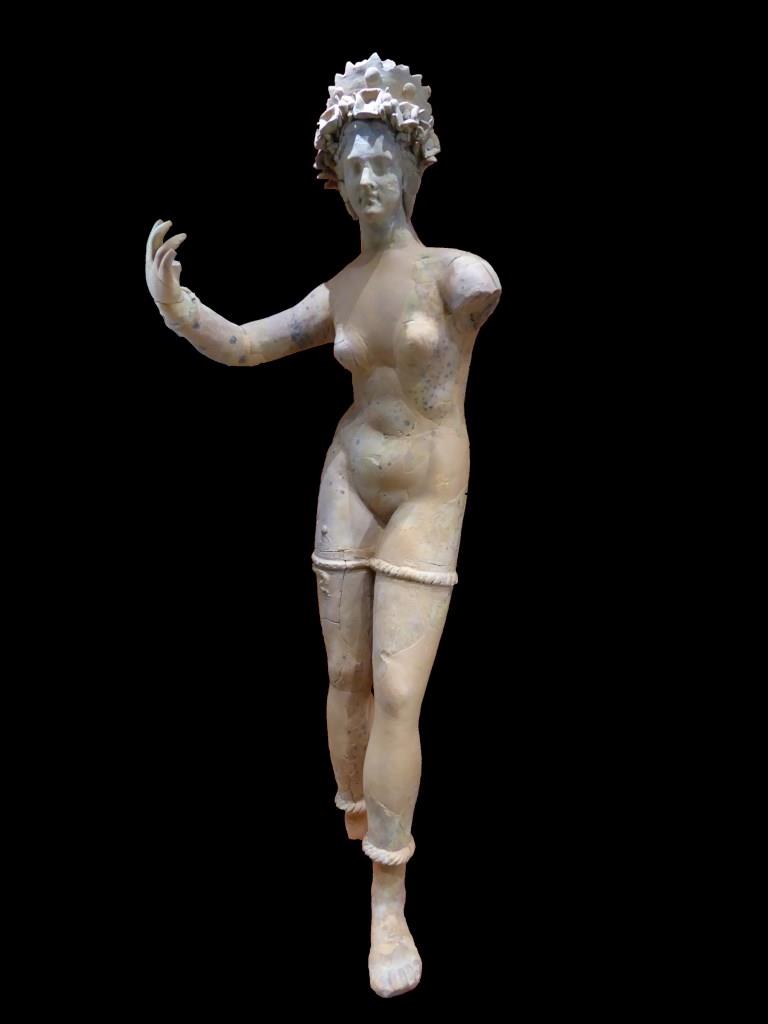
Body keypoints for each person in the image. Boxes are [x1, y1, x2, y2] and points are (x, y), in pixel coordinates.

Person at [145, 53, 500, 999]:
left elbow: (483, 289)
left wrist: (476, 283)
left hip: (427, 493)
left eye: (384, 159)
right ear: (337, 181)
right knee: (346, 676)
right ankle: (353, 801)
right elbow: (247, 345)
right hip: (347, 481)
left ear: (414, 167)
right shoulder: (339, 289)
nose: (369, 176)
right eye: (354, 164)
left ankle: (389, 893)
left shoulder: (456, 275)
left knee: (398, 692)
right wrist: (182, 312)